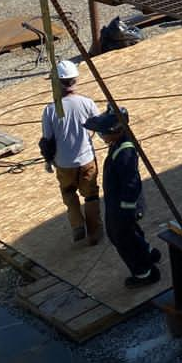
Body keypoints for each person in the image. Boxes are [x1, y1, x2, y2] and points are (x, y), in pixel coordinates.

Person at [86, 107, 161, 287]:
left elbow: (131, 183)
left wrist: (126, 209)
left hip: (123, 205)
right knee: (131, 233)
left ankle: (144, 273)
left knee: (121, 237)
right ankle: (148, 252)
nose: (101, 137)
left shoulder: (125, 152)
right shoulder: (118, 144)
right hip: (119, 202)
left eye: (103, 133)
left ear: (116, 131)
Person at [39, 59, 102, 246]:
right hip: (86, 160)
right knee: (90, 195)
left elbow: (47, 141)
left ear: (57, 83)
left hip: (64, 163)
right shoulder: (87, 103)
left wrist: (48, 161)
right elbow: (100, 128)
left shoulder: (50, 111)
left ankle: (77, 225)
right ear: (75, 80)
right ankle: (95, 233)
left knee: (69, 193)